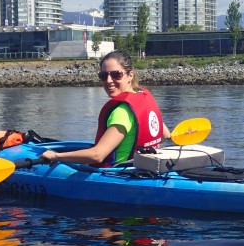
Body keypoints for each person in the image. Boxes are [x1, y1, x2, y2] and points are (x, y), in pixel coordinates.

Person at [40, 50, 171, 166]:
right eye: (103, 76)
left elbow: (97, 155)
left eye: (116, 75)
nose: (108, 80)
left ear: (130, 75)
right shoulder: (142, 97)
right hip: (140, 166)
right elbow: (165, 135)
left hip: (120, 174)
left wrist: (55, 156)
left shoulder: (122, 112)